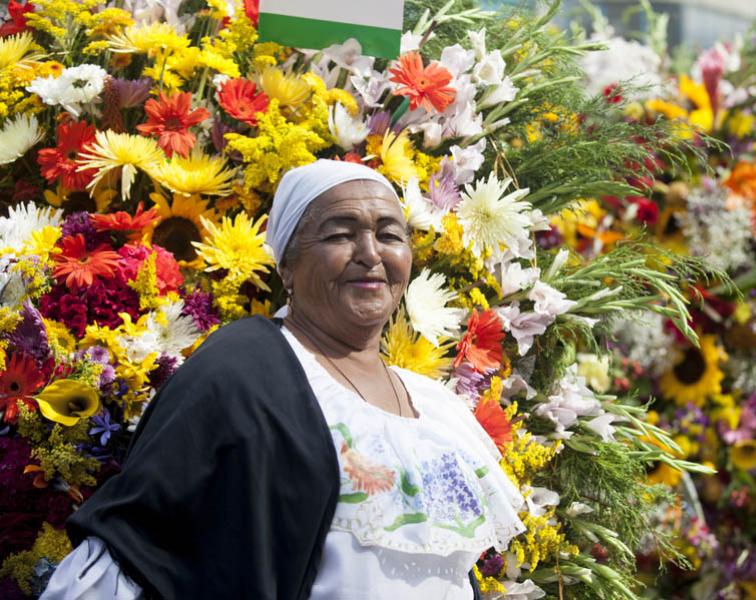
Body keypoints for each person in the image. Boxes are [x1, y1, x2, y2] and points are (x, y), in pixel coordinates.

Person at [39, 160, 525, 600]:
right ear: (287, 264)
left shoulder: (434, 408)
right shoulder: (242, 370)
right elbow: (141, 546)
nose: (370, 253)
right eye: (340, 234)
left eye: (390, 235)